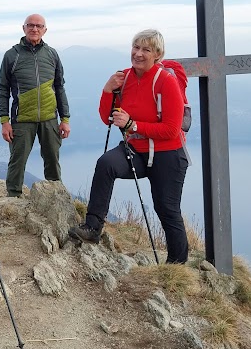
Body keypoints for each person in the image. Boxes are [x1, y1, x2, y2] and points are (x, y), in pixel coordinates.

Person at [68, 29, 190, 264]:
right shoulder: (124, 78)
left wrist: (133, 125)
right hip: (136, 150)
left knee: (166, 209)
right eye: (136, 47)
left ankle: (177, 264)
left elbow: (172, 129)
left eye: (146, 49)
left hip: (168, 155)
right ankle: (92, 228)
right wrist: (107, 90)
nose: (138, 53)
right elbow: (108, 118)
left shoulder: (166, 81)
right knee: (106, 164)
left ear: (157, 55)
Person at [0, 14, 70, 197]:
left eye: (39, 26)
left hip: (49, 118)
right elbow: (3, 89)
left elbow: (59, 87)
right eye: (30, 25)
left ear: (45, 30)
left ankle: (55, 198)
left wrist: (65, 119)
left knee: (52, 161)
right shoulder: (12, 55)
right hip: (22, 119)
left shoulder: (52, 54)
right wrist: (4, 121)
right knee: (17, 161)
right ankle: (13, 198)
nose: (34, 29)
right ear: (24, 28)